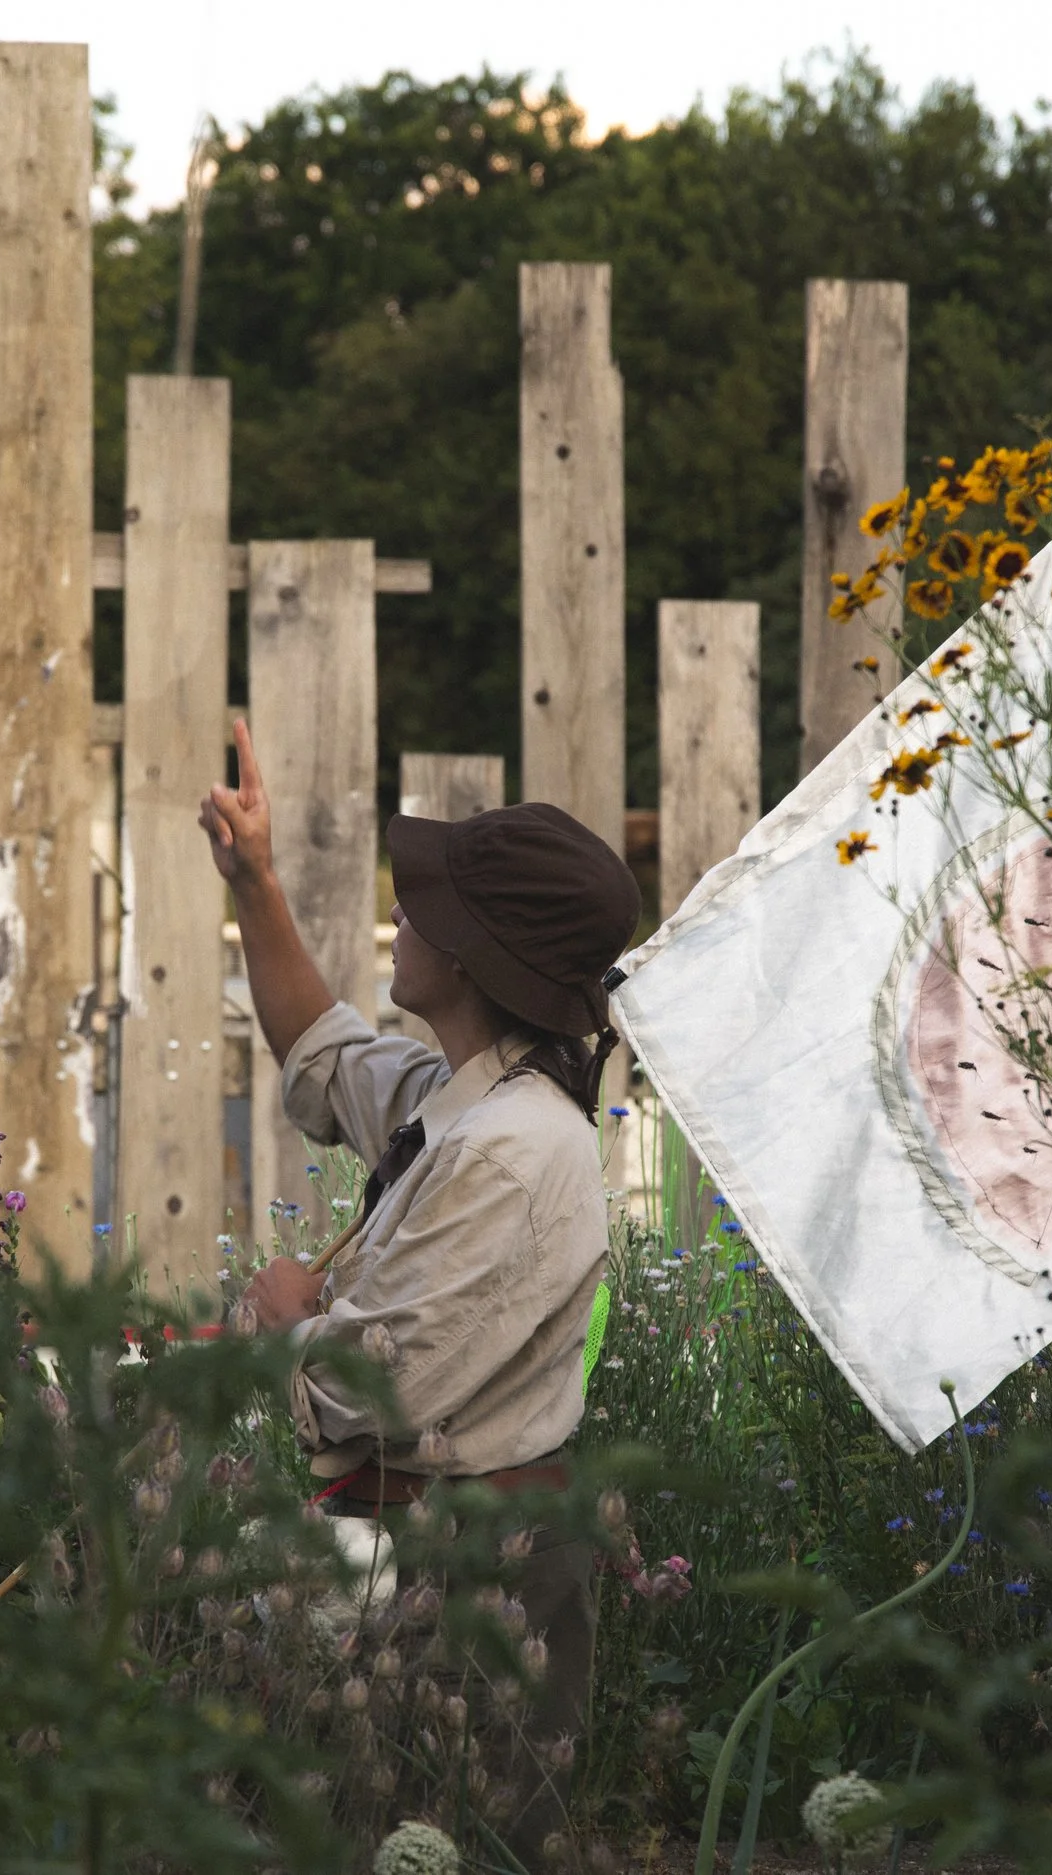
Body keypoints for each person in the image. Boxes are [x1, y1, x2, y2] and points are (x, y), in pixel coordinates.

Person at [200, 720, 639, 1860]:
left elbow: (367, 1396)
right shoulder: (463, 1099)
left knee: (452, 1846)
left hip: (477, 1587)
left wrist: (286, 1313)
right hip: (420, 1559)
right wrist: (253, 882)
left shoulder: (510, 1146)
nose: (403, 924)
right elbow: (321, 1050)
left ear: (477, 958)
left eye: (427, 913)